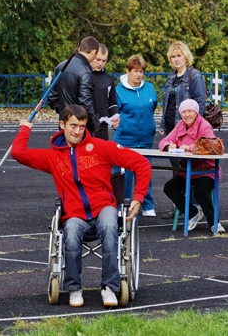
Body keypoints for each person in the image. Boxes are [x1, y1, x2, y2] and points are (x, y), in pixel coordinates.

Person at [11, 105, 151, 307]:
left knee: (111, 227)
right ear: (62, 125)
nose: (77, 131)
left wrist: (138, 197)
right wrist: (25, 128)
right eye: (73, 126)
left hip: (104, 207)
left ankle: (110, 287)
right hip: (75, 214)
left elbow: (141, 164)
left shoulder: (101, 147)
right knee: (70, 232)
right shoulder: (52, 157)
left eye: (82, 126)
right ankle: (75, 289)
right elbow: (18, 152)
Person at [159, 99, 225, 234]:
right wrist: (168, 145)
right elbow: (163, 141)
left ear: (196, 113)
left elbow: (211, 145)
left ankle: (215, 222)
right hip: (186, 171)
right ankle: (193, 212)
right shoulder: (179, 125)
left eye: (189, 111)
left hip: (207, 171)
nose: (186, 115)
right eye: (183, 112)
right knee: (169, 187)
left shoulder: (205, 125)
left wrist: (189, 147)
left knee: (200, 189)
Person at [113, 55, 157, 217]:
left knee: (145, 173)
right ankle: (122, 206)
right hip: (125, 139)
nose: (138, 75)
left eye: (141, 71)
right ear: (128, 71)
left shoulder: (149, 88)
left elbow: (151, 108)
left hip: (145, 139)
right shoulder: (118, 91)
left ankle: (147, 204)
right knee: (124, 175)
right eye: (135, 71)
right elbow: (113, 113)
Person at [47, 36, 101, 133]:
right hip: (80, 127)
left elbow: (51, 97)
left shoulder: (61, 66)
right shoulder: (85, 71)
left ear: (80, 49)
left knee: (64, 147)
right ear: (93, 52)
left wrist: (65, 113)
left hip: (64, 124)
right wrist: (94, 124)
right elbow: (85, 102)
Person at [159, 41, 206, 136]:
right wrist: (162, 124)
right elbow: (166, 103)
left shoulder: (194, 75)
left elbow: (200, 103)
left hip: (185, 126)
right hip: (170, 126)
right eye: (173, 57)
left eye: (179, 56)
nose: (176, 59)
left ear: (186, 57)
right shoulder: (171, 76)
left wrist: (195, 127)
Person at [90, 43, 119, 140]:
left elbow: (112, 103)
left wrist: (115, 116)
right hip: (85, 128)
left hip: (102, 129)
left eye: (104, 61)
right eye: (98, 59)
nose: (100, 64)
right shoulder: (83, 76)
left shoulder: (108, 79)